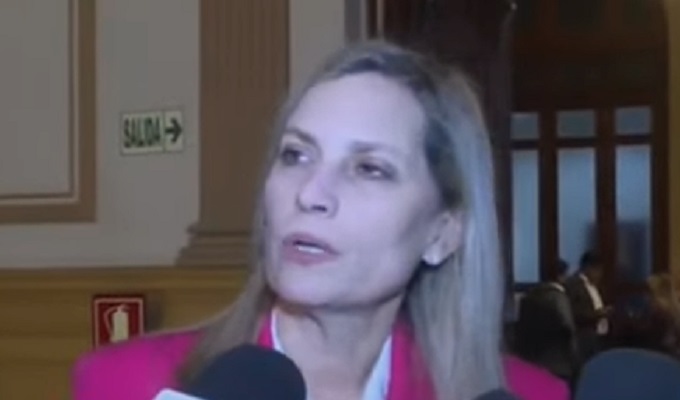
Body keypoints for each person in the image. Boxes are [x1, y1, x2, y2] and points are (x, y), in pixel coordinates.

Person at [72, 41, 569, 400]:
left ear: (443, 232)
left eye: (369, 168)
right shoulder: (127, 385)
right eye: (296, 155)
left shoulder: (530, 395)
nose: (310, 194)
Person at [514, 259, 578, 381]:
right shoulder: (558, 297)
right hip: (558, 360)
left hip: (532, 359)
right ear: (561, 276)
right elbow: (568, 326)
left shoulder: (529, 297)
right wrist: (574, 357)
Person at [565, 251, 611, 362]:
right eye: (598, 270)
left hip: (598, 335)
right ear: (589, 268)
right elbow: (573, 312)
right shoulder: (574, 284)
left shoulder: (594, 285)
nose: (600, 274)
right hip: (583, 337)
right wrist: (598, 314)